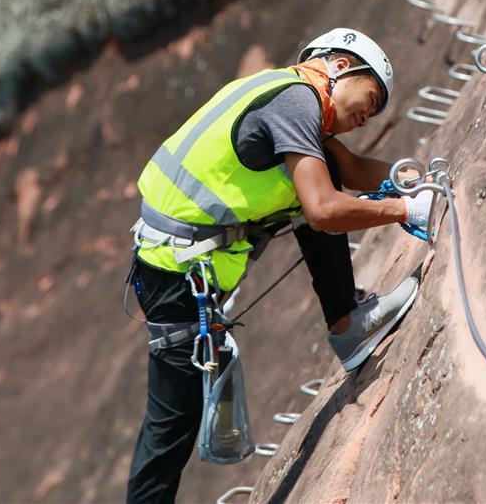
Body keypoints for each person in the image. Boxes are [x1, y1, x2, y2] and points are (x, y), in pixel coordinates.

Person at [125, 28, 434, 504]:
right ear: (338, 66)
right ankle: (348, 324)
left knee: (317, 178)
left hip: (175, 264)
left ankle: (347, 323)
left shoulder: (284, 92)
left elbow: (347, 169)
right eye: (368, 101)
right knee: (171, 427)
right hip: (177, 275)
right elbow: (324, 210)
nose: (362, 120)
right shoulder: (297, 104)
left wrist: (414, 179)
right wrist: (404, 210)